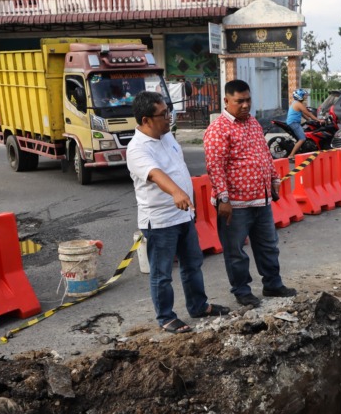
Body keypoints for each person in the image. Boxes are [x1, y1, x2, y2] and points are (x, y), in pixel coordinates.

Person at [127, 91, 229, 334]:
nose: (168, 117)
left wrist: (185, 197)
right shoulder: (137, 149)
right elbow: (155, 174)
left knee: (192, 263)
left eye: (168, 111)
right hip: (161, 221)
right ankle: (166, 317)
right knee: (162, 274)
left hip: (184, 215)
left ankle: (198, 305)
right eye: (162, 114)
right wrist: (176, 192)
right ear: (145, 120)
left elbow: (176, 168)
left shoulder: (167, 136)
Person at [204, 79, 296, 308]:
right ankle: (242, 291)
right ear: (226, 101)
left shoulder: (253, 123)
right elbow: (215, 167)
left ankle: (273, 284)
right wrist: (223, 199)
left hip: (261, 200)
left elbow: (264, 154)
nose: (245, 105)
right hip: (235, 205)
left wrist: (274, 181)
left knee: (268, 246)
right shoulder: (218, 129)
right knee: (236, 252)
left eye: (248, 100)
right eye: (239, 101)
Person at [285, 88, 317, 159]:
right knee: (302, 138)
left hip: (293, 122)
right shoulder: (299, 104)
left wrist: (308, 119)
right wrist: (318, 120)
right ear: (300, 96)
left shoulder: (296, 103)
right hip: (294, 123)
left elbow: (302, 113)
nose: (305, 97)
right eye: (304, 95)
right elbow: (308, 113)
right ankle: (291, 155)